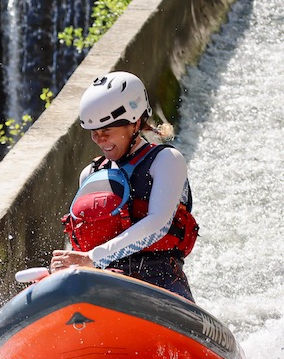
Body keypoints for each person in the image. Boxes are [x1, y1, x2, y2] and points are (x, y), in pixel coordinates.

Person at [49, 72, 199, 301]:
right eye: (94, 133)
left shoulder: (167, 160)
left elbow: (158, 226)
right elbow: (83, 248)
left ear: (135, 123)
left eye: (107, 131)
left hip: (161, 281)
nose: (100, 140)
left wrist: (93, 258)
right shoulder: (90, 175)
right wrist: (65, 265)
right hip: (104, 283)